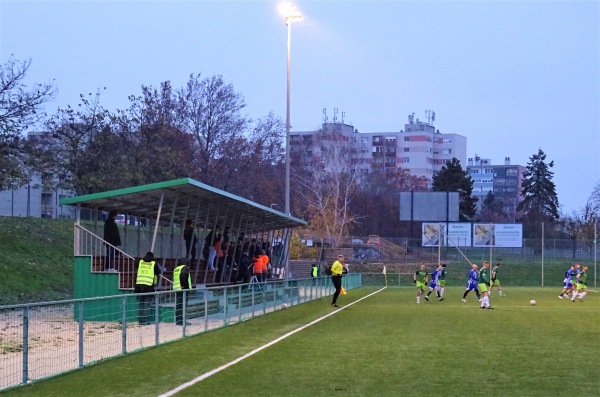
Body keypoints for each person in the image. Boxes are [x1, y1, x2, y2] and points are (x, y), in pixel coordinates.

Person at [135, 252, 161, 325]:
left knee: (141, 304)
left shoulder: (140, 262)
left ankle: (140, 321)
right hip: (148, 286)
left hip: (139, 286)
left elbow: (135, 265)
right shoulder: (153, 263)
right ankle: (145, 321)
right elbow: (158, 272)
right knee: (146, 305)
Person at [173, 258, 192, 326]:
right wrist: (185, 286)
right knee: (183, 305)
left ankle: (178, 321)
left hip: (177, 288)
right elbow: (183, 276)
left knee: (178, 306)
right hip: (183, 289)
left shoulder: (176, 268)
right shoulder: (184, 268)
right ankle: (182, 321)